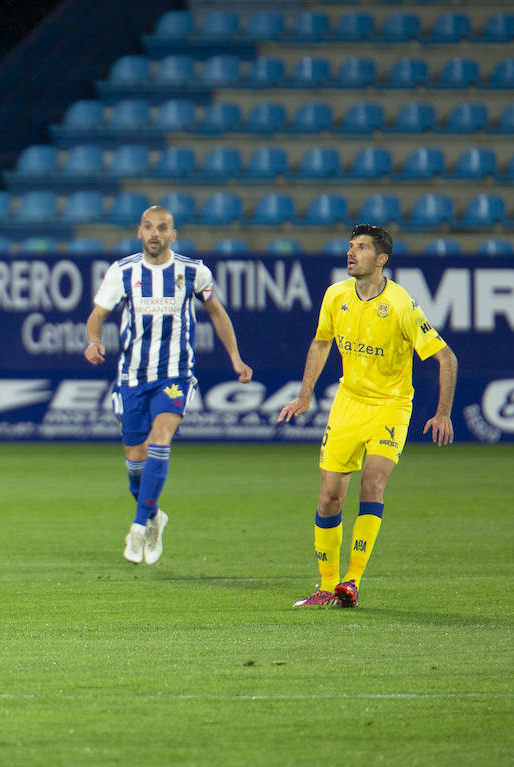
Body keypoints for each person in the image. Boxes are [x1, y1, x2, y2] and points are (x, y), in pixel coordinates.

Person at [277, 223, 455, 608]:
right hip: (348, 404)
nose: (351, 253)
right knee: (329, 498)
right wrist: (305, 395)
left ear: (381, 259)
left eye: (361, 247)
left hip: (390, 407)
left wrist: (442, 413)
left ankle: (351, 581)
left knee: (372, 483)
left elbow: (446, 358)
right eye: (350, 246)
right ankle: (326, 586)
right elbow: (322, 342)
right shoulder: (335, 295)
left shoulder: (402, 305)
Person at [84, 206, 252, 565]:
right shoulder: (123, 272)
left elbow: (217, 313)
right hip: (131, 379)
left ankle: (138, 528)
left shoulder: (193, 272)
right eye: (148, 227)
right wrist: (93, 341)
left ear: (173, 234)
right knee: (135, 464)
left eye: (162, 228)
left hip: (175, 375)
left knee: (161, 439)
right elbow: (96, 317)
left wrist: (235, 358)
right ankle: (155, 515)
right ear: (139, 232)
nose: (155, 233)